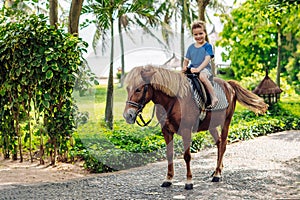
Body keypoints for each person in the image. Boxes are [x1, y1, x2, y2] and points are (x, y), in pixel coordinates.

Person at [182, 20, 218, 108]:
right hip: (192, 68)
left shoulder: (207, 46)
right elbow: (186, 60)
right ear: (193, 35)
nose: (198, 36)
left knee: (202, 76)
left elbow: (207, 59)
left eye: (200, 33)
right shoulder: (191, 47)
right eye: (195, 34)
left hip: (205, 69)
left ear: (205, 33)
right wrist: (184, 67)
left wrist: (198, 69)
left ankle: (213, 97)